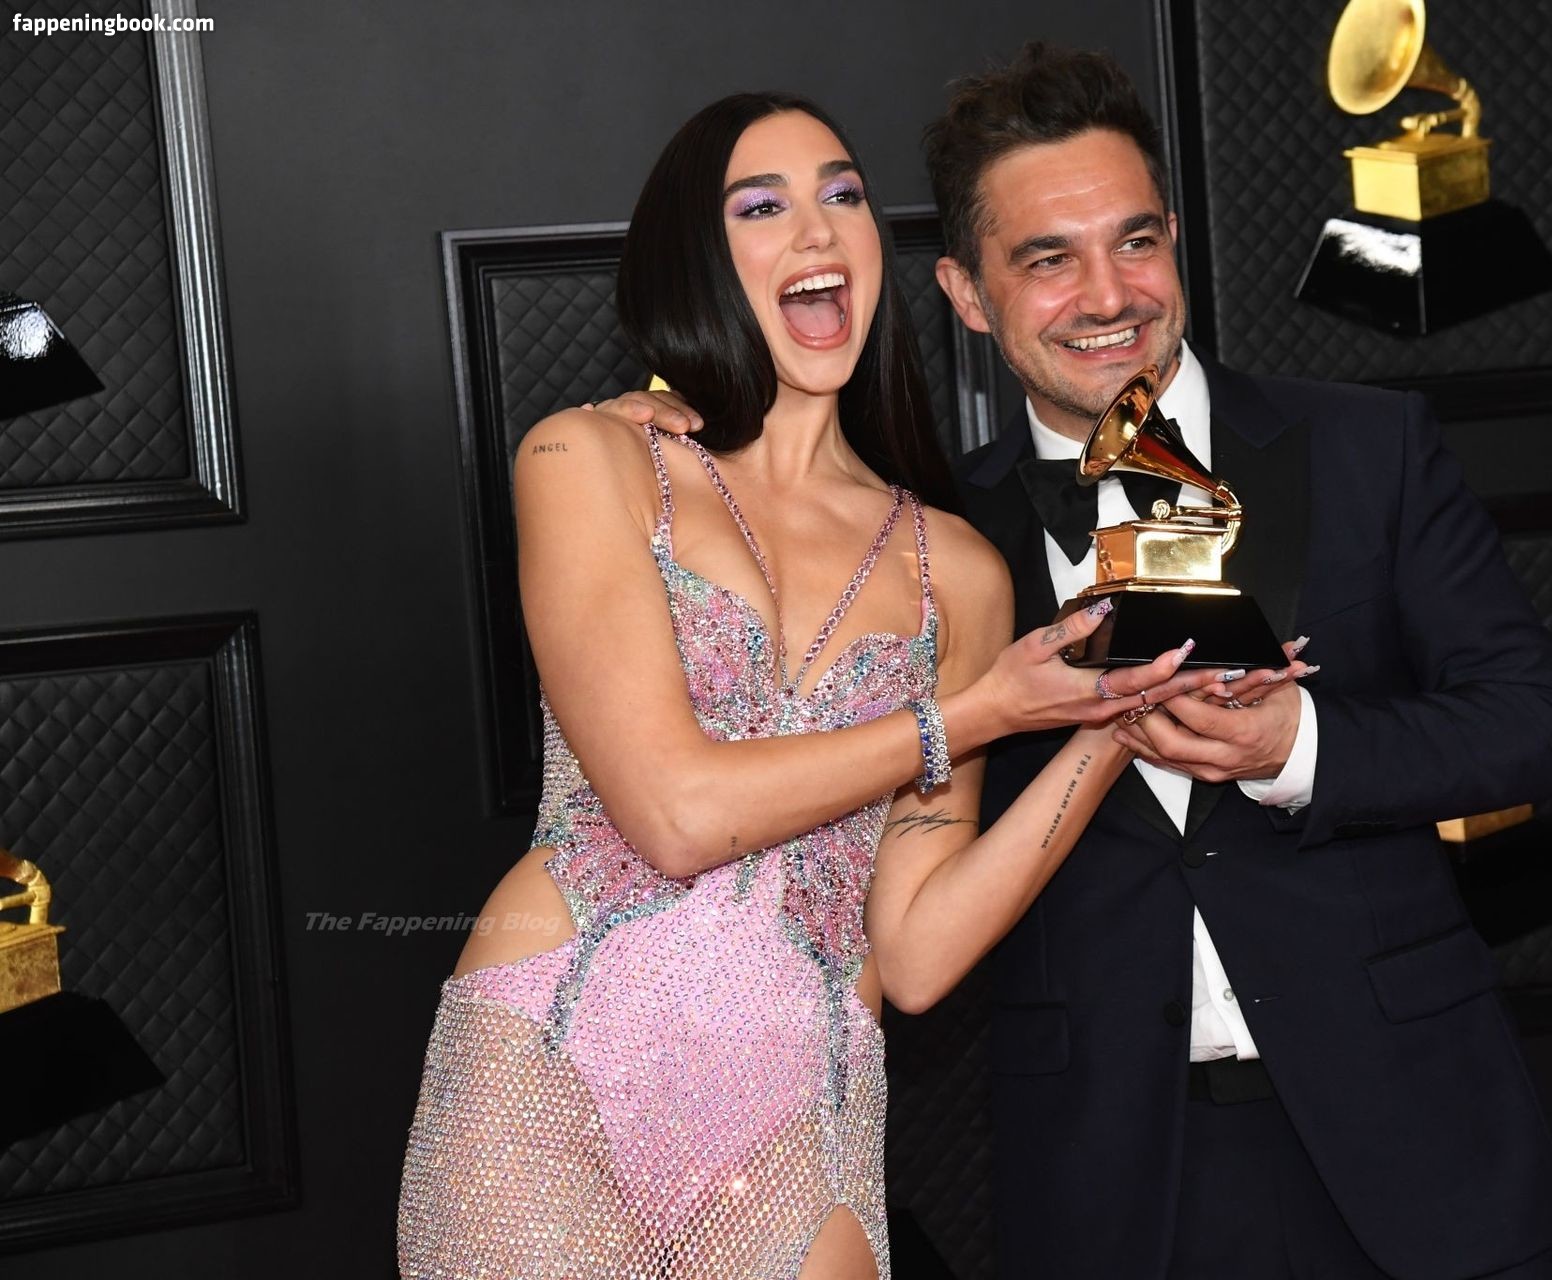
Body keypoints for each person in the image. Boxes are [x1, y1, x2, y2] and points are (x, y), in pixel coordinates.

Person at [601, 45, 1552, 1280]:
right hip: (1112, 1181)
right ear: (967, 294)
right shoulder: (925, 542)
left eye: (1136, 242)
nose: (1108, 294)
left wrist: (1297, 748)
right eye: (1047, 260)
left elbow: (1537, 727)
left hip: (1421, 1148)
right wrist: (653, 435)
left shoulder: (1368, 446)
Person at [393, 91, 1269, 1280]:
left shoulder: (956, 570)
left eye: (844, 195)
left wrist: (1109, 723)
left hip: (801, 1112)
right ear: (698, 259)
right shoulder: (587, 457)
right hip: (549, 1059)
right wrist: (975, 715)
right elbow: (676, 814)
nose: (816, 228)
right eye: (762, 207)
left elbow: (916, 953)